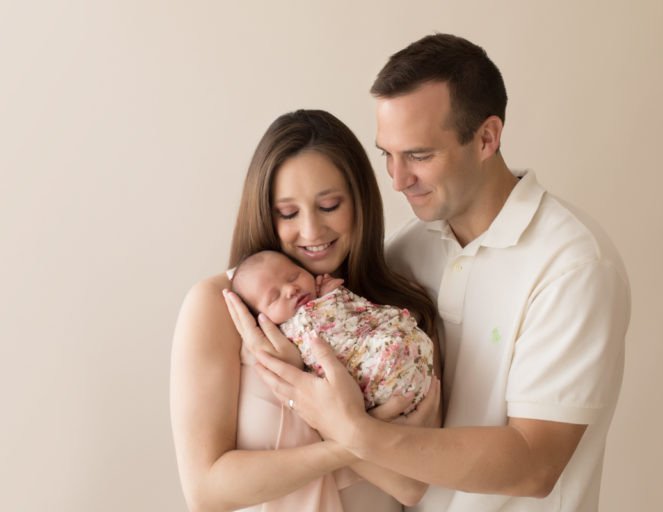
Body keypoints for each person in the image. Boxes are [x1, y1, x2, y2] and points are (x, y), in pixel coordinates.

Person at [250, 34, 631, 512]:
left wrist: (354, 432)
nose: (396, 180)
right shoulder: (406, 251)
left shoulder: (572, 265)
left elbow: (535, 464)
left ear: (487, 138)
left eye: (419, 155)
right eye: (386, 154)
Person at [170, 109, 441, 512]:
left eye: (329, 205)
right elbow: (207, 491)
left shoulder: (398, 309)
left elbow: (411, 485)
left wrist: (313, 387)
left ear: (360, 202)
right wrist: (342, 429)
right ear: (266, 213)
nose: (312, 232)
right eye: (289, 214)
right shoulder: (218, 308)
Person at [229, 249, 434, 412]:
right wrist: (328, 303)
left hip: (411, 354)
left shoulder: (328, 291)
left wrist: (334, 296)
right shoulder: (286, 332)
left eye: (294, 276)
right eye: (274, 297)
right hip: (381, 375)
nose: (291, 290)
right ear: (261, 318)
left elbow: (362, 318)